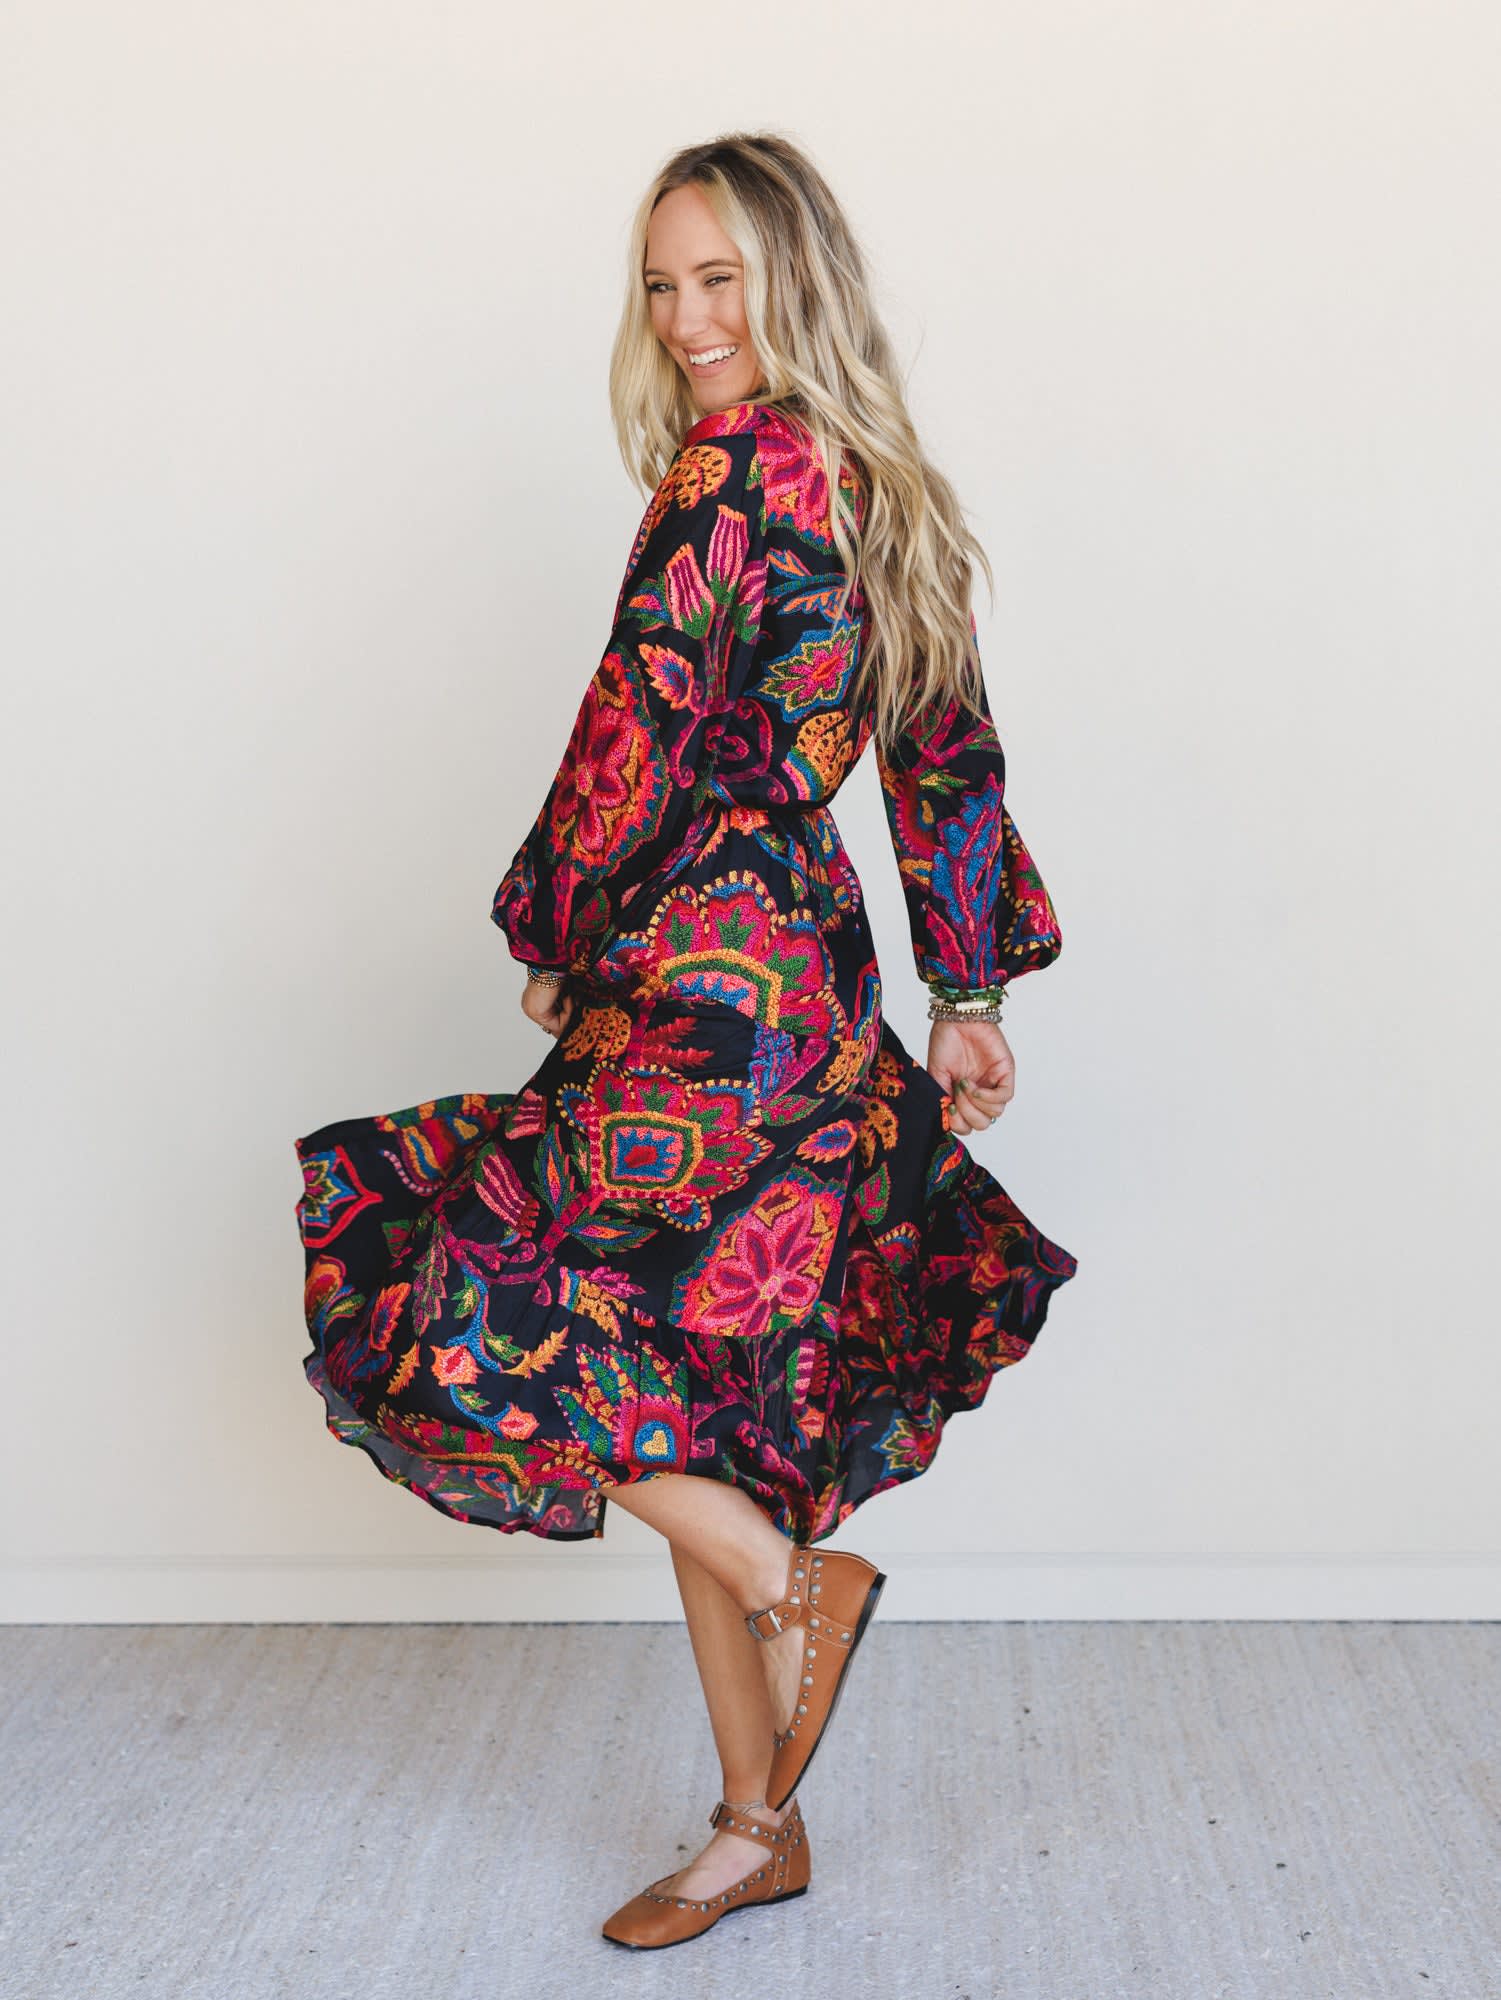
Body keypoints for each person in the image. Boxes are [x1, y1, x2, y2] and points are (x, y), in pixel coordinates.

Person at [292, 131, 1078, 1951]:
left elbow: (629, 729)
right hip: (810, 967)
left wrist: (556, 935)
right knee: (701, 1388)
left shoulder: (725, 474)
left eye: (718, 278)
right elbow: (944, 754)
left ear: (794, 280)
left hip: (694, 972)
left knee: (465, 1293)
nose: (685, 317)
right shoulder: (888, 487)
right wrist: (964, 998)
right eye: (660, 284)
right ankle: (751, 1825)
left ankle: (793, 1580)